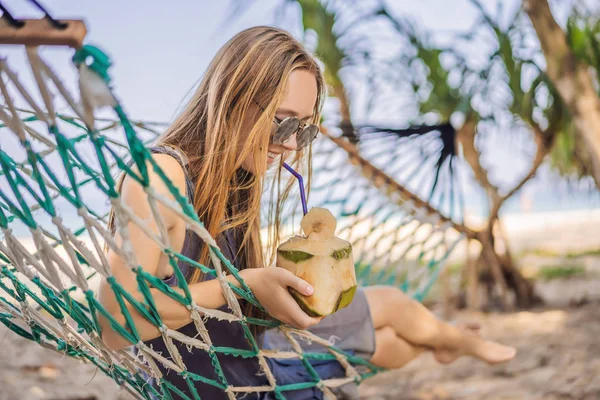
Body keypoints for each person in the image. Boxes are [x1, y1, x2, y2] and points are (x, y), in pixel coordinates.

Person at [98, 26, 516, 399]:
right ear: (233, 97)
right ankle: (452, 341)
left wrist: (269, 294)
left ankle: (448, 341)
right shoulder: (160, 177)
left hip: (250, 362)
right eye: (282, 122)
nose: (292, 145)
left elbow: (229, 304)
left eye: (305, 129)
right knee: (389, 329)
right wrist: (243, 286)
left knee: (390, 324)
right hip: (237, 388)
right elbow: (114, 325)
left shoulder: (234, 180)